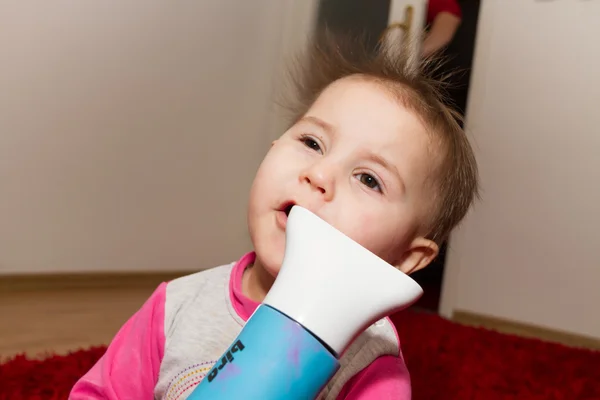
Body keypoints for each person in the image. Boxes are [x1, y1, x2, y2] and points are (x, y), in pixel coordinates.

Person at [69, 32, 479, 400]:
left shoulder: (371, 364)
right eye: (312, 142)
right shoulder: (175, 307)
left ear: (408, 258)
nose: (318, 174)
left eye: (369, 179)